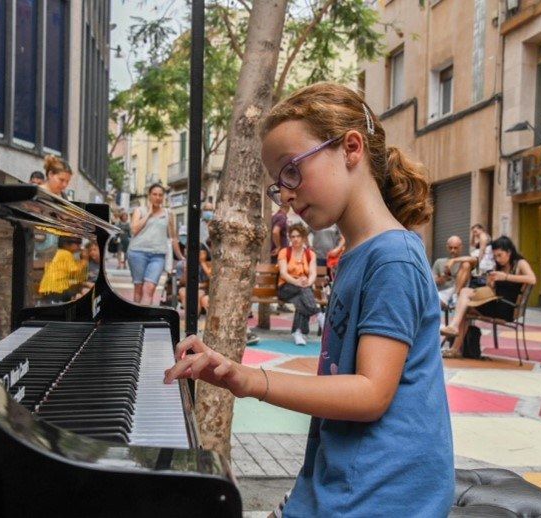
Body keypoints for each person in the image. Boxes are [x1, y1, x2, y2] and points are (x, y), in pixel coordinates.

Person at [163, 83, 454, 516]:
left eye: (292, 171)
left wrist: (248, 380)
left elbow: (371, 393)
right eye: (278, 186)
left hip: (382, 499)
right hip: (348, 485)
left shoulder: (393, 258)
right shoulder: (358, 254)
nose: (287, 195)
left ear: (350, 148)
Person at [440, 236, 536, 358]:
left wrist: (505, 277)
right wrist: (490, 283)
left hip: (507, 308)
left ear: (509, 252)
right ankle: (454, 338)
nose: (498, 259)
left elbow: (532, 279)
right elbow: (493, 290)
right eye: (495, 256)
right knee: (465, 296)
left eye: (500, 255)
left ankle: (454, 343)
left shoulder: (520, 263)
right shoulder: (498, 266)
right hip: (495, 303)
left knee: (464, 306)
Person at [127, 183, 183, 305]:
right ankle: (136, 317)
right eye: (155, 194)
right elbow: (134, 230)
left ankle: (145, 318)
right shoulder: (139, 210)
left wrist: (181, 257)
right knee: (138, 288)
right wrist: (149, 214)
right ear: (149, 196)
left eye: (160, 195)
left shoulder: (168, 213)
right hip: (137, 253)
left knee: (150, 288)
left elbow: (173, 237)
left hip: (158, 256)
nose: (157, 197)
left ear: (163, 197)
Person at [277, 223, 326, 345]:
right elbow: (283, 273)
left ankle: (298, 332)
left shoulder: (310, 254)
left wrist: (307, 282)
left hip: (302, 289)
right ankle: (319, 314)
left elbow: (313, 273)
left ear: (304, 237)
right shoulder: (284, 252)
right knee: (303, 291)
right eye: (292, 236)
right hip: (285, 287)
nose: (295, 239)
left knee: (301, 299)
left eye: (298, 236)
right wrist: (298, 282)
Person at [38, 236, 88, 304]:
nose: (80, 245)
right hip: (56, 289)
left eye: (80, 242)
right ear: (65, 244)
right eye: (77, 242)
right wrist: (84, 260)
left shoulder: (61, 253)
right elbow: (74, 271)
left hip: (50, 288)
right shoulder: (66, 254)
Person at [432, 235, 469, 308]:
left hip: (459, 294)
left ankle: (454, 299)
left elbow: (474, 259)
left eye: (455, 248)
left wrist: (454, 260)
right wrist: (444, 278)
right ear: (447, 247)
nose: (453, 250)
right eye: (450, 248)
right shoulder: (439, 262)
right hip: (444, 293)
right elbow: (433, 281)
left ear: (461, 247)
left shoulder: (465, 261)